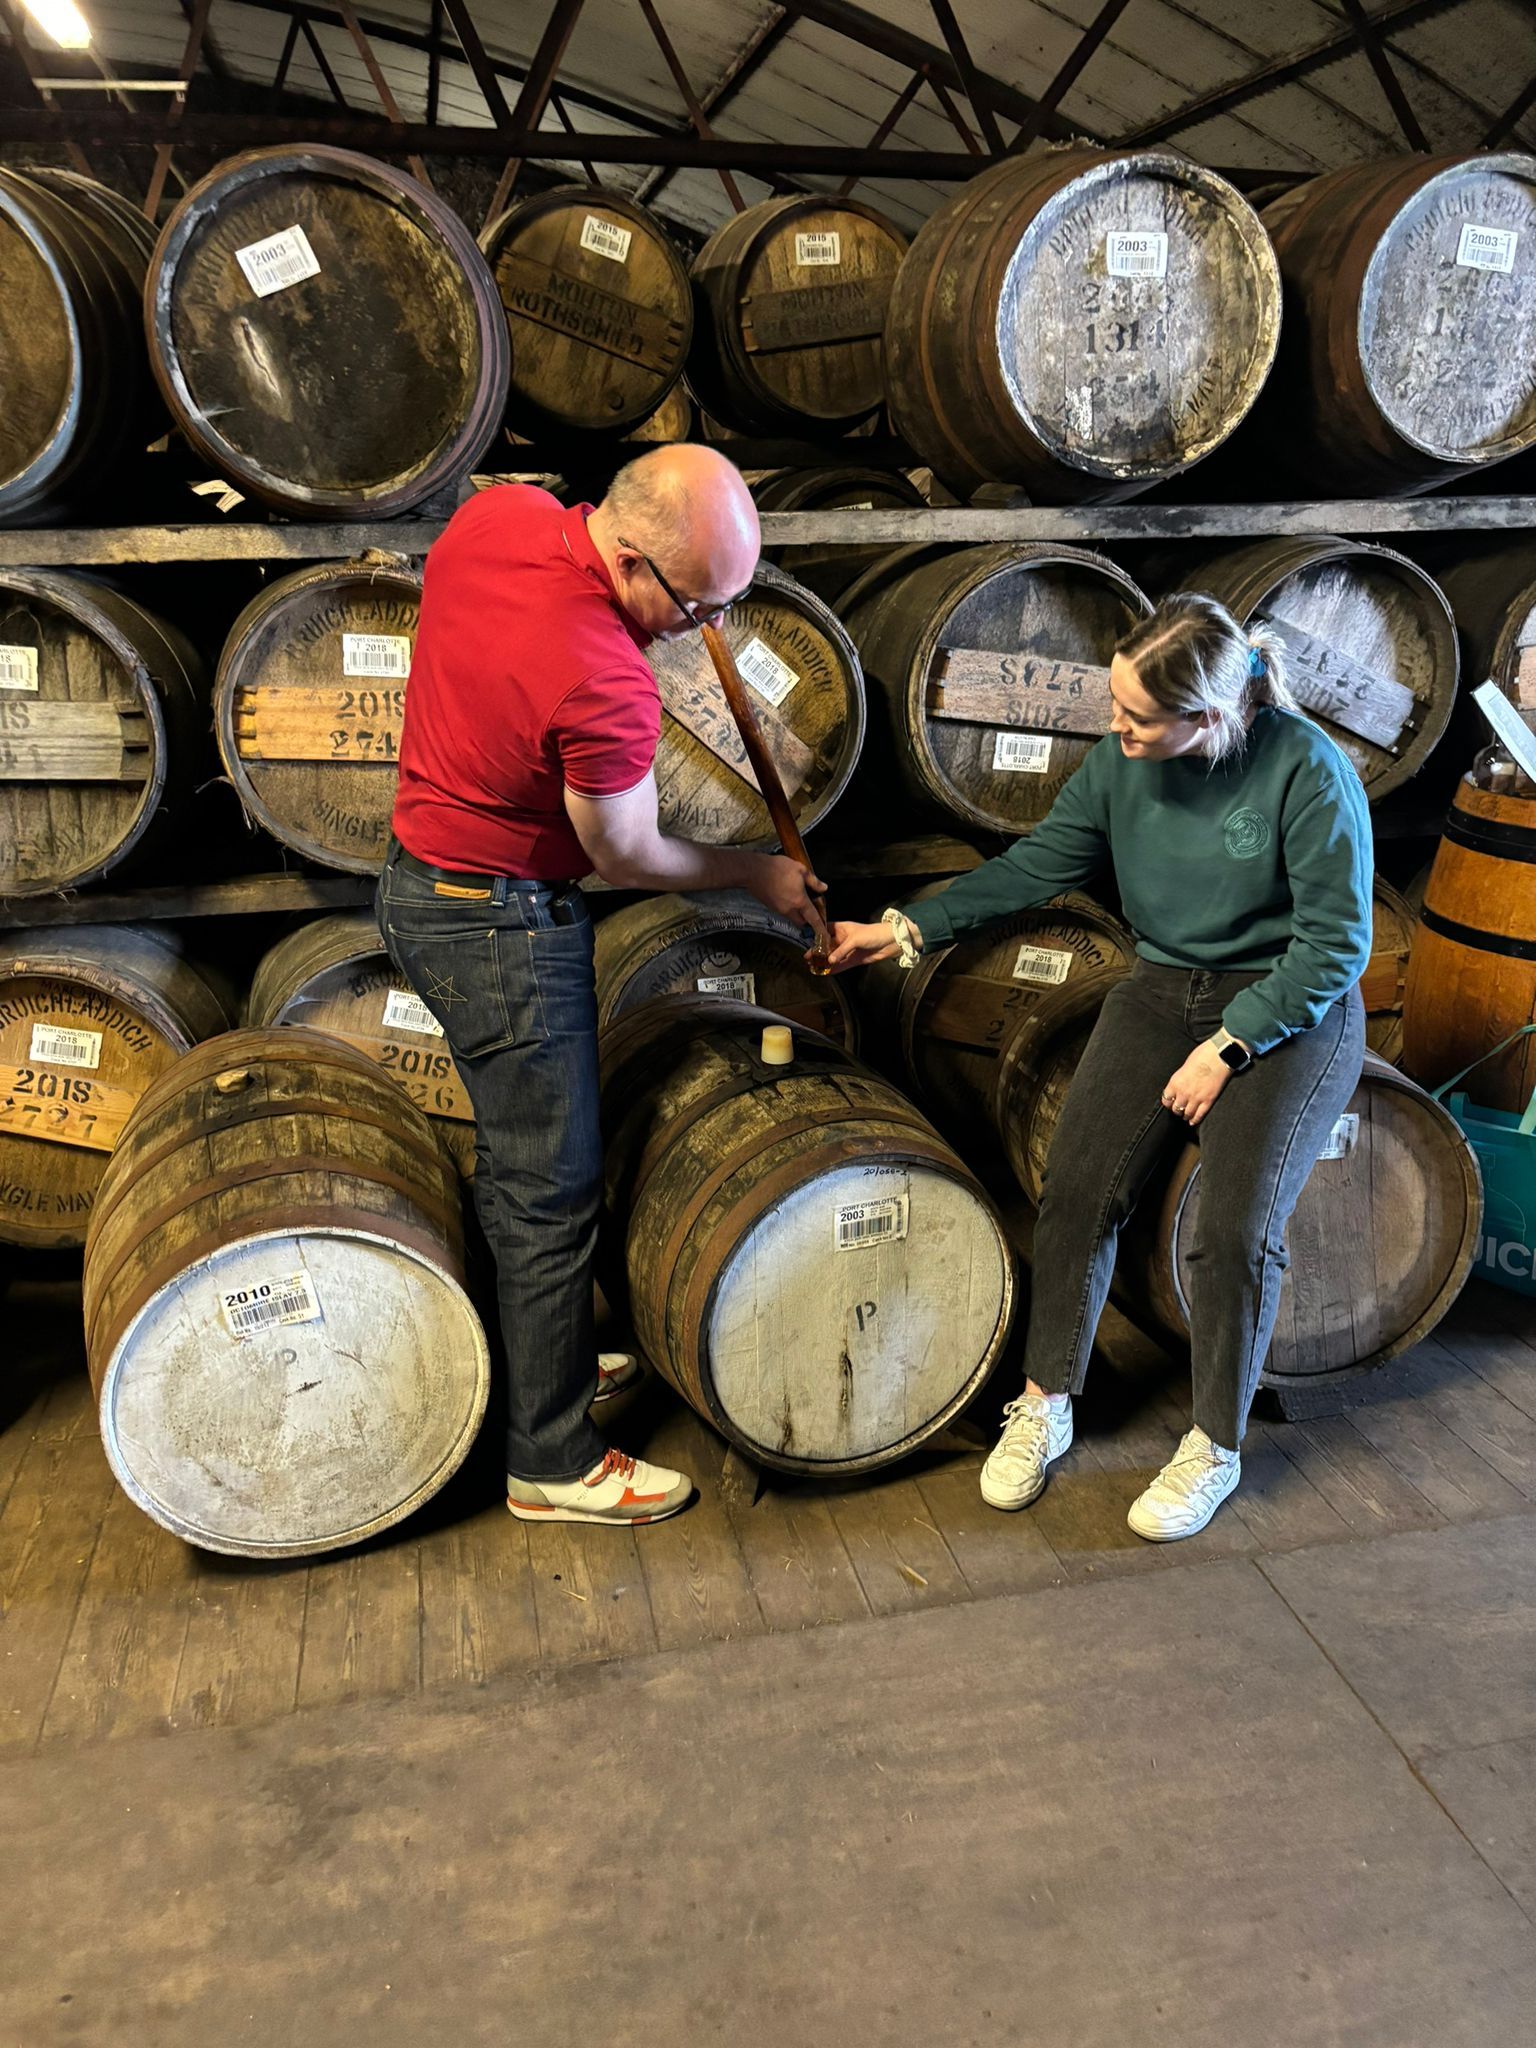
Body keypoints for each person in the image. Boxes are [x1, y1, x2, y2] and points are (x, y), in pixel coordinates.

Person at [829, 595, 1371, 1542]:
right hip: (1161, 987)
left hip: (1290, 1005)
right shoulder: (1121, 764)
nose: (1114, 726)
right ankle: (1047, 1400)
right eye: (1114, 704)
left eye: (1136, 716)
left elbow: (1334, 946)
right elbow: (1036, 865)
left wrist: (1229, 1045)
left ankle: (1215, 1443)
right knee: (1077, 1190)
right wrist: (903, 926)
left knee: (1235, 1230)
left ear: (1208, 717)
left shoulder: (1306, 769)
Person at [379, 447, 824, 1529]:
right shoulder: (607, 679)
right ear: (629, 558)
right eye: (697, 604)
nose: (706, 626)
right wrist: (752, 872)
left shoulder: (499, 520)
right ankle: (553, 1457)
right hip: (498, 925)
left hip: (416, 879)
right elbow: (625, 855)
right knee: (551, 1185)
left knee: (519, 1158)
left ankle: (550, 1363)